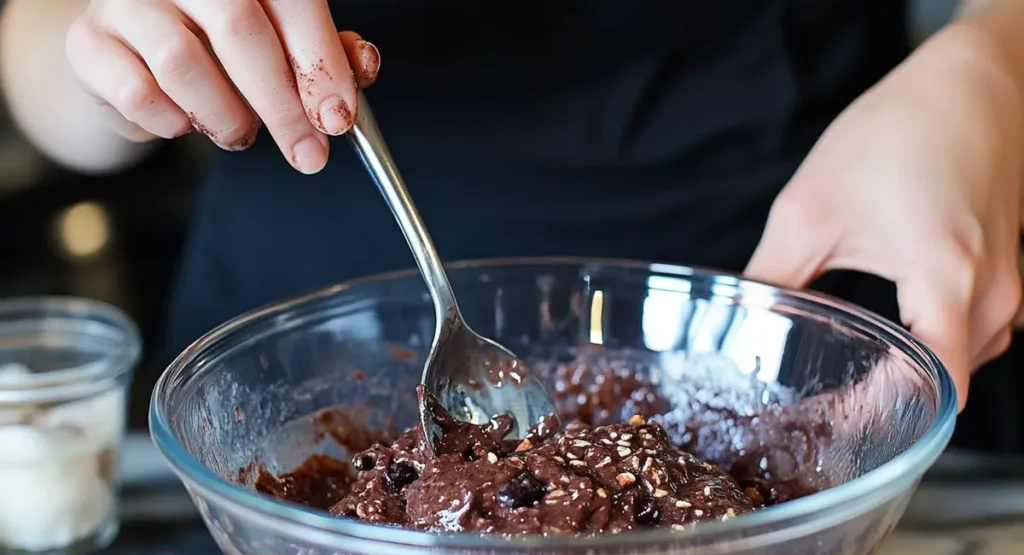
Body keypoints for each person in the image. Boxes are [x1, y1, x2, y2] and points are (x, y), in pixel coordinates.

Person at [0, 0, 1021, 417]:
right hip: (285, 356)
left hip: (805, 306)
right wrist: (116, 57)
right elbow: (41, 50)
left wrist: (990, 67)